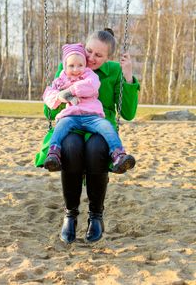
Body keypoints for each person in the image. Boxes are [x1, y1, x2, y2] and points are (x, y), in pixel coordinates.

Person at [35, 28, 140, 244]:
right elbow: (50, 111)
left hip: (99, 124)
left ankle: (96, 215)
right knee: (71, 147)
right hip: (71, 123)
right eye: (89, 51)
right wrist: (60, 96)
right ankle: (70, 214)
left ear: (108, 57)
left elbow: (128, 113)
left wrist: (128, 75)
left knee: (96, 149)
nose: (91, 58)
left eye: (99, 56)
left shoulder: (114, 70)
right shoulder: (69, 65)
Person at [42, 43, 135, 175]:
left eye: (80, 65)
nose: (76, 69)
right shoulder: (61, 79)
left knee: (107, 127)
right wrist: (59, 97)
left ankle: (118, 155)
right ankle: (53, 153)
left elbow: (91, 86)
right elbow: (48, 95)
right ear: (65, 65)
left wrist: (70, 91)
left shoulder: (89, 75)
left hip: (92, 116)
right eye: (71, 66)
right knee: (61, 126)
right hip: (71, 116)